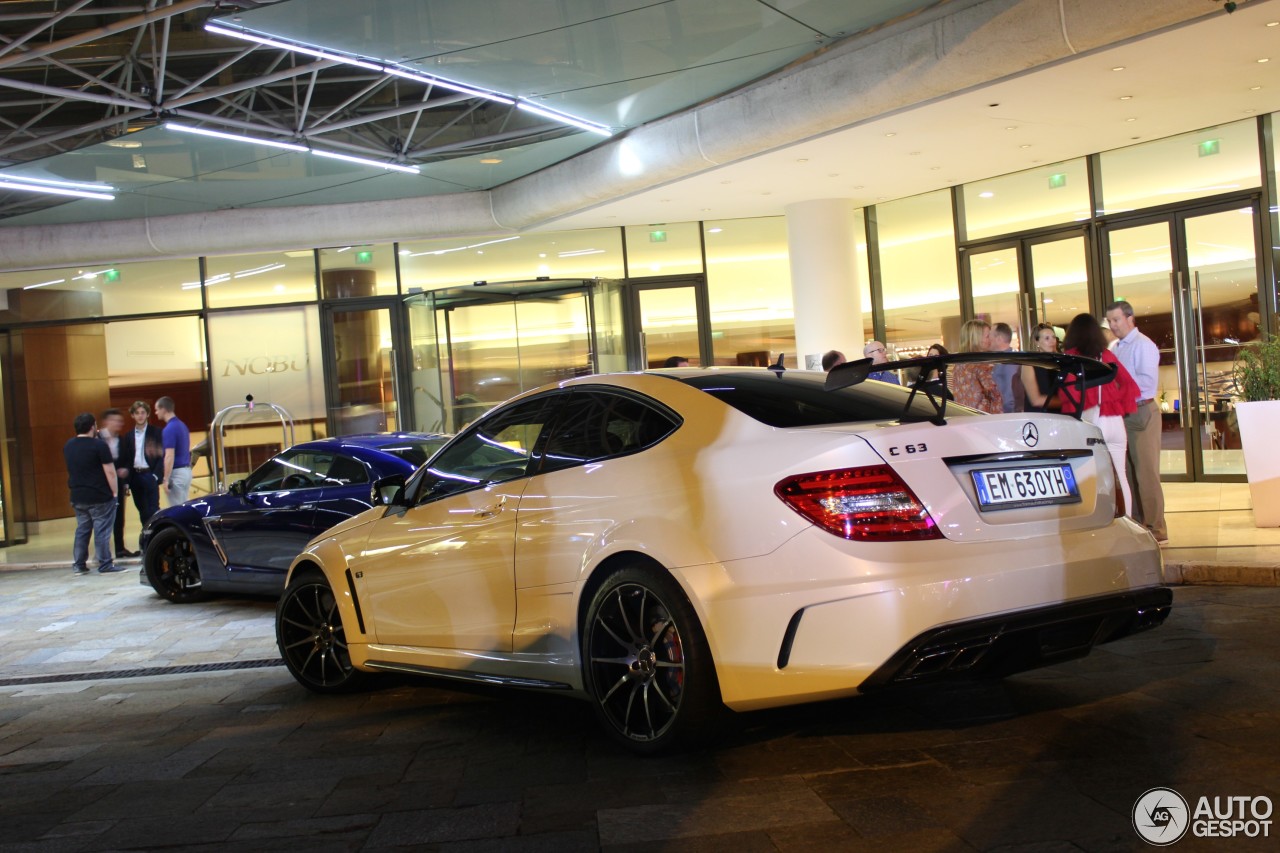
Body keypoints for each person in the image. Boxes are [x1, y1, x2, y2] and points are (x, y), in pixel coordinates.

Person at [1059, 313, 1139, 516]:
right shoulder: (1106, 355)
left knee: (1090, 477)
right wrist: (1113, 399)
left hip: (1092, 422)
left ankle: (1098, 520)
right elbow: (1129, 384)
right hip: (1115, 421)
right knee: (1121, 476)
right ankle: (1127, 520)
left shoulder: (1072, 358)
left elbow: (1069, 393)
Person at [1106, 300, 1167, 544]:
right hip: (1123, 412)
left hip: (1142, 411)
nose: (1112, 325)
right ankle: (1140, 524)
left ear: (1130, 318)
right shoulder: (1115, 346)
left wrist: (1119, 389)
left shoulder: (1144, 345)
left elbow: (1147, 384)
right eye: (1109, 321)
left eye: (1116, 320)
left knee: (1146, 473)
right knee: (1129, 473)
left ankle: (1157, 529)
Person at [64, 412, 123, 575]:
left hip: (77, 495)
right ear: (93, 427)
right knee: (102, 529)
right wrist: (115, 492)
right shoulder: (99, 445)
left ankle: (79, 564)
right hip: (99, 495)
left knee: (82, 529)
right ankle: (105, 563)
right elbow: (110, 471)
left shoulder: (68, 445)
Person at [117, 400, 164, 535]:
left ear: (148, 414)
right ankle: (147, 538)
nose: (140, 416)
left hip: (150, 475)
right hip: (135, 476)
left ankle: (157, 536)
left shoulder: (156, 432)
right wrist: (126, 482)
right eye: (137, 413)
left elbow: (162, 455)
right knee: (142, 510)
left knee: (153, 509)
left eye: (143, 413)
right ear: (132, 415)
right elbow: (127, 459)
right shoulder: (128, 436)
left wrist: (155, 476)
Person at [97, 408, 137, 559]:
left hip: (118, 483)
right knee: (102, 518)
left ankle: (120, 549)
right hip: (101, 484)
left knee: (119, 516)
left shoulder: (121, 440)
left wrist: (125, 470)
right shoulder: (97, 439)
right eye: (115, 421)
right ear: (107, 422)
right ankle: (102, 552)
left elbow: (127, 459)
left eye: (120, 421)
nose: (119, 424)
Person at [952, 319, 1003, 413]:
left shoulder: (958, 364)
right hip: (984, 420)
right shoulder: (981, 366)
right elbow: (995, 396)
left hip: (964, 417)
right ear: (976, 339)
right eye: (987, 336)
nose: (991, 340)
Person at [155, 396, 192, 506]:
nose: (156, 413)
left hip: (176, 474)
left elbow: (169, 456)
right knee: (184, 506)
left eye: (157, 409)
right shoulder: (182, 425)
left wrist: (166, 479)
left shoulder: (169, 429)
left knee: (177, 509)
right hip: (186, 471)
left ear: (163, 409)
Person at [1021, 323, 1061, 411]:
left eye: (1053, 337)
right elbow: (1035, 400)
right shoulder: (1029, 364)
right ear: (1037, 342)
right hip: (1039, 417)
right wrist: (1065, 402)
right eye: (1047, 338)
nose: (1052, 341)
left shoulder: (1060, 362)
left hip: (1060, 415)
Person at [990, 322, 1024, 413]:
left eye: (990, 336)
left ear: (999, 339)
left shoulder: (1009, 362)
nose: (988, 339)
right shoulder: (1000, 360)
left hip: (1005, 415)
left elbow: (1010, 395)